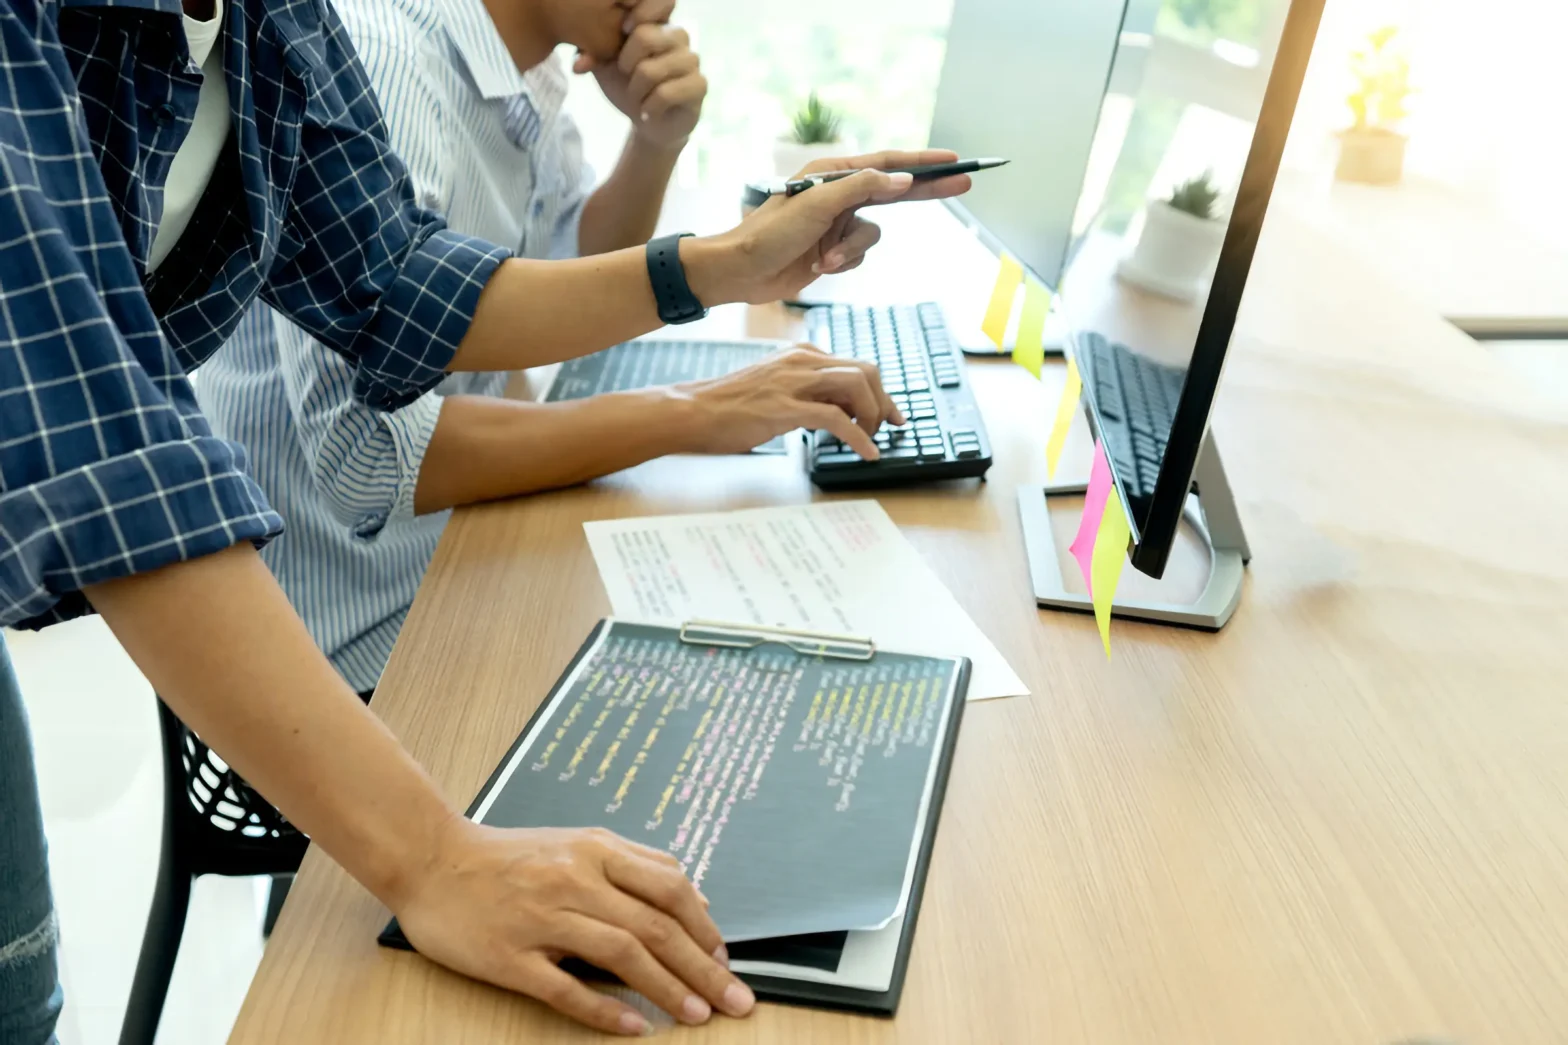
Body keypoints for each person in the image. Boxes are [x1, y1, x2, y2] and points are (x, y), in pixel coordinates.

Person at [0, 0, 969, 1041]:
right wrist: (433, 859)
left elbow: (396, 284)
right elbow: (102, 448)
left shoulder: (277, 19)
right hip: (331, 623)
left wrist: (718, 264)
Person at [198, 0, 921, 700]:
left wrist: (655, 139)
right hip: (362, 641)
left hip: (461, 554)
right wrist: (696, 410)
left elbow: (570, 267)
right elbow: (368, 456)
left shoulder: (527, 69)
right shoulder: (389, 62)